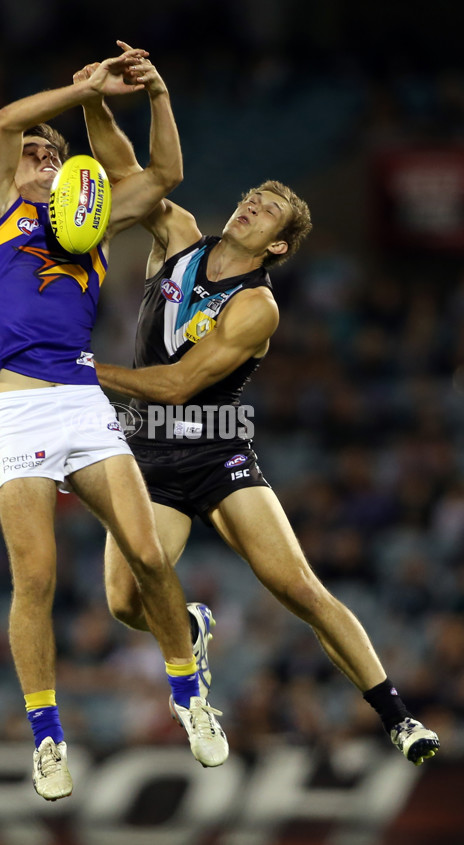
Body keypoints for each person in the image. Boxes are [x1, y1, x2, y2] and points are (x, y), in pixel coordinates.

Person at [75, 49, 441, 768]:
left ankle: (397, 716)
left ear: (276, 244)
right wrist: (100, 98)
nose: (251, 204)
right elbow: (128, 174)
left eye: (267, 208)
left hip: (215, 447)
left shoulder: (257, 308)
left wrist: (81, 369)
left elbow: (179, 386)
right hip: (145, 451)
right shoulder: (178, 238)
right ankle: (188, 626)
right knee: (122, 603)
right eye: (251, 195)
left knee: (296, 585)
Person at [0, 44, 228, 802]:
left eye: (55, 153)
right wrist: (79, 91)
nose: (42, 156)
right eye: (34, 153)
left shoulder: (93, 220)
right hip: (15, 407)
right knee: (36, 576)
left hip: (81, 396)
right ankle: (47, 738)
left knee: (148, 553)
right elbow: (9, 119)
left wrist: (158, 95)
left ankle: (189, 694)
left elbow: (169, 178)